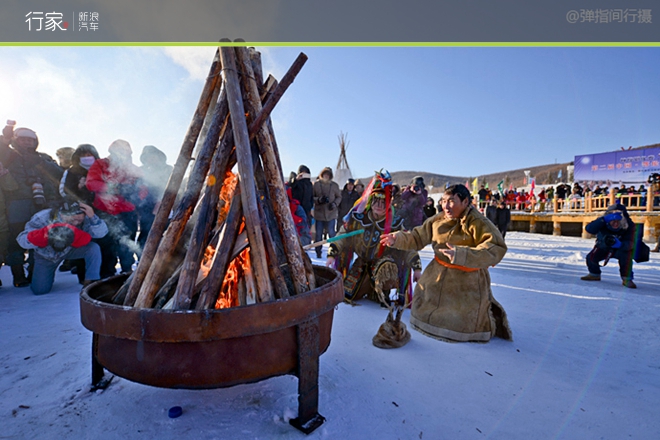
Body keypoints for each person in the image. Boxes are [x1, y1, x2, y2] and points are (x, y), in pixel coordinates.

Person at [380, 183, 512, 343]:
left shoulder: (478, 222)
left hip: (466, 282)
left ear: (465, 202)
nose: (446, 206)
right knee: (424, 309)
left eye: (451, 201)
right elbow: (418, 237)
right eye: (443, 201)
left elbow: (495, 247)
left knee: (458, 320)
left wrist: (462, 255)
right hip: (437, 274)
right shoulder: (437, 219)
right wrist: (397, 239)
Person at [326, 170, 421, 305]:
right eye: (376, 201)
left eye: (384, 202)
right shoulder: (358, 218)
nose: (379, 206)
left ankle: (381, 290)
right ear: (371, 200)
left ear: (389, 203)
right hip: (362, 262)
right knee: (348, 296)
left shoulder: (395, 224)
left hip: (382, 263)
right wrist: (332, 254)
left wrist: (416, 268)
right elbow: (342, 235)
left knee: (387, 267)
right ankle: (368, 287)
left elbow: (407, 244)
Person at [0, 123, 63, 287]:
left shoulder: (43, 157)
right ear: (16, 140)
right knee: (16, 239)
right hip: (16, 203)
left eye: (30, 140)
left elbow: (59, 174)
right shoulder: (9, 155)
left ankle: (35, 272)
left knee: (40, 237)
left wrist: (41, 163)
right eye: (23, 139)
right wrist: (5, 139)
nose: (27, 143)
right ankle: (18, 275)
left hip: (42, 203)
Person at [16, 200, 108, 295]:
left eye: (79, 220)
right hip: (46, 256)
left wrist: (93, 217)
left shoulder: (86, 217)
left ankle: (91, 281)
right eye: (73, 220)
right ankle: (35, 271)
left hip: (71, 250)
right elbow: (21, 240)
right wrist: (44, 234)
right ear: (63, 214)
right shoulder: (42, 217)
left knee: (93, 248)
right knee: (40, 290)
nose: (76, 223)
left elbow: (101, 234)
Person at [86, 139, 147, 277]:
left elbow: (143, 189)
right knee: (106, 245)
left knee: (127, 245)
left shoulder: (134, 169)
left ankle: (127, 274)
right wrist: (115, 187)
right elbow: (91, 183)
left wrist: (136, 197)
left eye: (125, 151)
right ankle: (107, 277)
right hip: (105, 211)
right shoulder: (100, 164)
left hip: (127, 212)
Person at [580, 204, 637, 288]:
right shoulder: (602, 221)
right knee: (591, 257)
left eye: (619, 216)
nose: (615, 221)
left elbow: (633, 242)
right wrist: (602, 220)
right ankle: (594, 274)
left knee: (626, 258)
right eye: (613, 215)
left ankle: (627, 279)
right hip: (603, 246)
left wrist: (621, 244)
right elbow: (589, 229)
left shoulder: (630, 225)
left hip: (621, 248)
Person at [137, 145, 173, 254]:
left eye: (153, 156)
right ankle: (143, 261)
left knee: (166, 233)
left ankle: (165, 261)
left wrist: (160, 201)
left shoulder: (168, 169)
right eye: (147, 157)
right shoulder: (141, 171)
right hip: (146, 208)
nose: (151, 159)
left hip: (166, 205)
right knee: (146, 234)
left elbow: (173, 187)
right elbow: (137, 188)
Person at [312, 167, 341, 258]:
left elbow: (339, 197)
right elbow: (311, 197)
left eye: (328, 175)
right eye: (325, 174)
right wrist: (319, 200)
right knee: (318, 235)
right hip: (319, 214)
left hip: (331, 213)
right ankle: (318, 252)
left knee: (332, 233)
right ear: (322, 175)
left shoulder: (334, 185)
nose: (326, 176)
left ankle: (333, 251)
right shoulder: (316, 185)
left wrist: (334, 204)